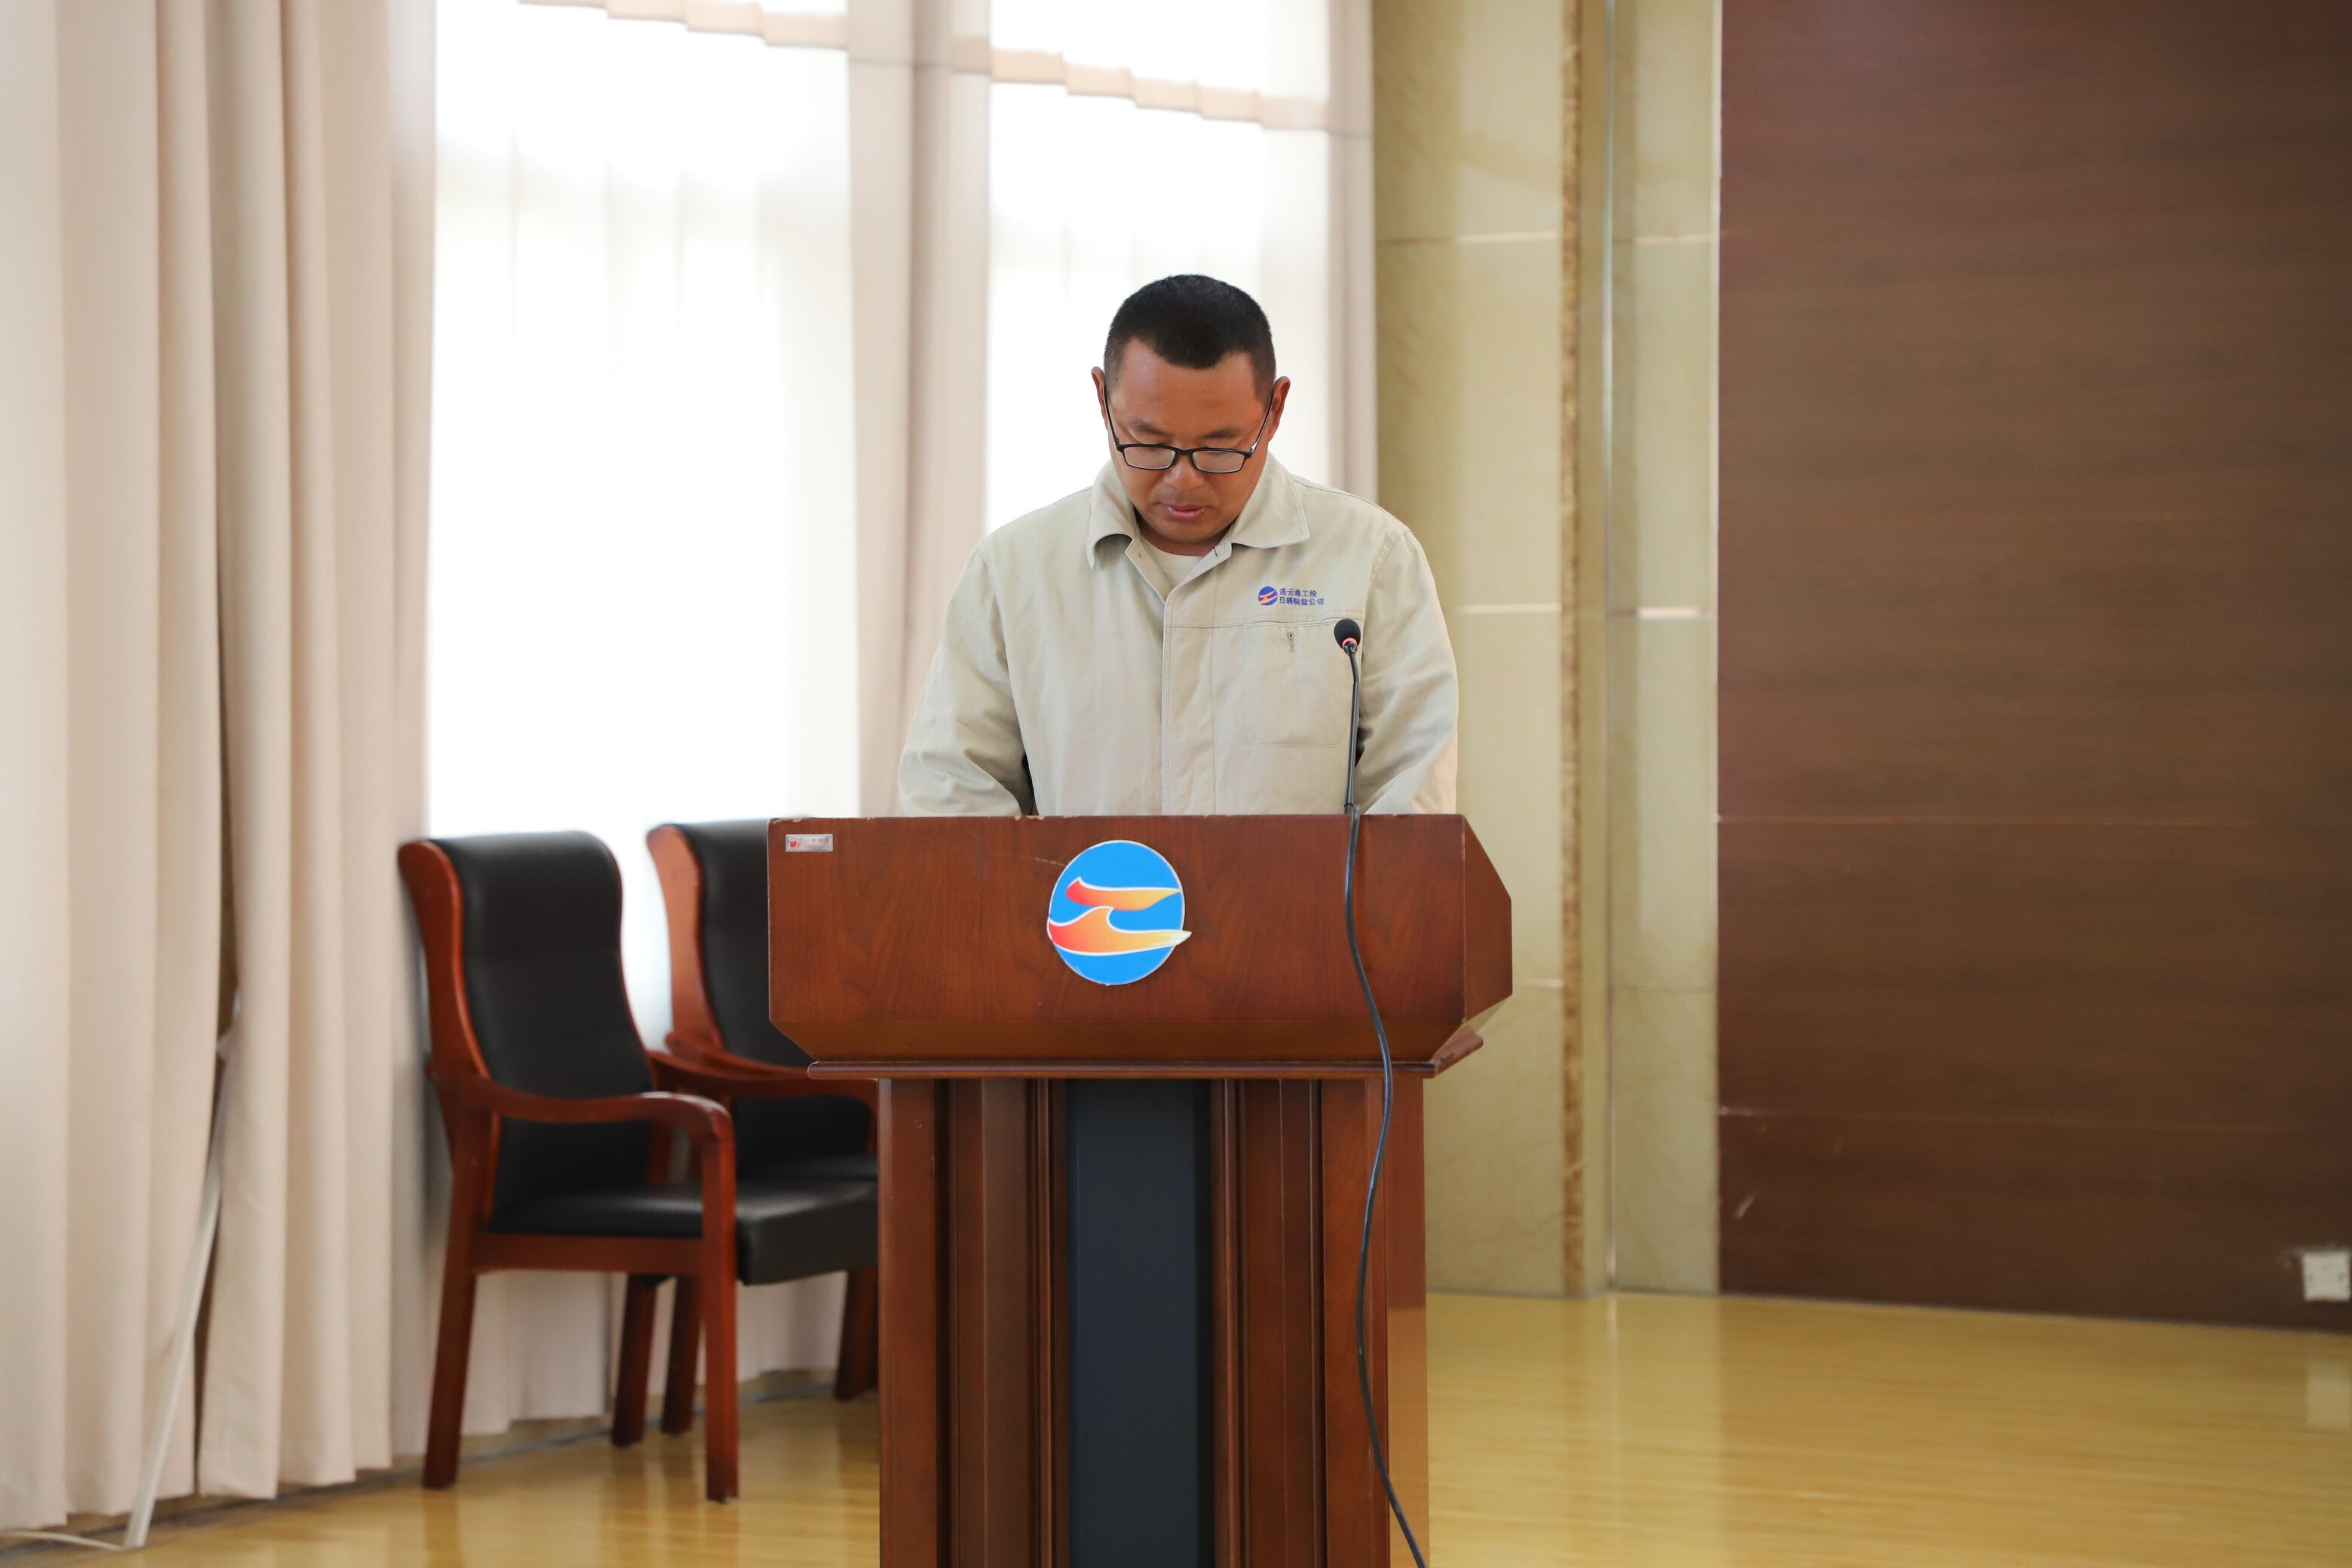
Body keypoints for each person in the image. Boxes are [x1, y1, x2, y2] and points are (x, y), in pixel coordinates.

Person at [899, 274, 1458, 816]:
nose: (1183, 480)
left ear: (1275, 410)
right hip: (1081, 890)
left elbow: (1411, 797)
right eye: (1149, 443)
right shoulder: (1014, 572)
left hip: (1309, 891)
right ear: (1103, 400)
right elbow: (952, 791)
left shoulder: (1371, 559)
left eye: (1219, 447)